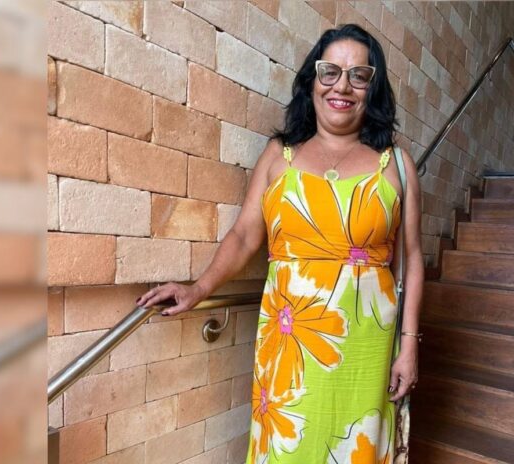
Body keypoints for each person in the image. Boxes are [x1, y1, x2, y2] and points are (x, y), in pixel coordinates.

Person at [137, 23, 423, 463]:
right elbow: (244, 235)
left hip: (367, 343)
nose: (342, 86)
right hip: (291, 343)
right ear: (312, 80)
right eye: (330, 71)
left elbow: (413, 259)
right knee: (289, 446)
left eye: (359, 75)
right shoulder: (279, 154)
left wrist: (409, 345)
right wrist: (199, 288)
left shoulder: (396, 165)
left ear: (374, 87)